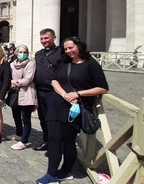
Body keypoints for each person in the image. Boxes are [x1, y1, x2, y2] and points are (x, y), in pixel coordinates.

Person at [36, 36, 108, 184]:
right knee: (54, 139)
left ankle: (66, 170)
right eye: (66, 48)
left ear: (79, 46)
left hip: (75, 108)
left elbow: (103, 88)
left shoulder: (91, 65)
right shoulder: (65, 61)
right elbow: (54, 80)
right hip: (57, 104)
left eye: (71, 48)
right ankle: (51, 175)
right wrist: (64, 94)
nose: (68, 51)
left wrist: (77, 94)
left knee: (68, 141)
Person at [33, 28, 63, 152]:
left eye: (46, 38)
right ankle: (46, 141)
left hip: (53, 92)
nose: (43, 41)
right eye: (41, 38)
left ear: (54, 38)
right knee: (43, 118)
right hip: (40, 90)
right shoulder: (38, 54)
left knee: (53, 120)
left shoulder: (60, 52)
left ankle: (55, 145)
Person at [8, 45, 37, 150]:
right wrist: (11, 81)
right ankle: (19, 134)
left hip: (27, 93)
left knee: (26, 119)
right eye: (20, 52)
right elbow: (9, 77)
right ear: (16, 53)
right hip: (15, 94)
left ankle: (24, 141)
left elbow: (28, 79)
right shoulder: (12, 64)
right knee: (16, 116)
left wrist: (16, 82)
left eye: (25, 52)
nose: (22, 54)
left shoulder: (30, 64)